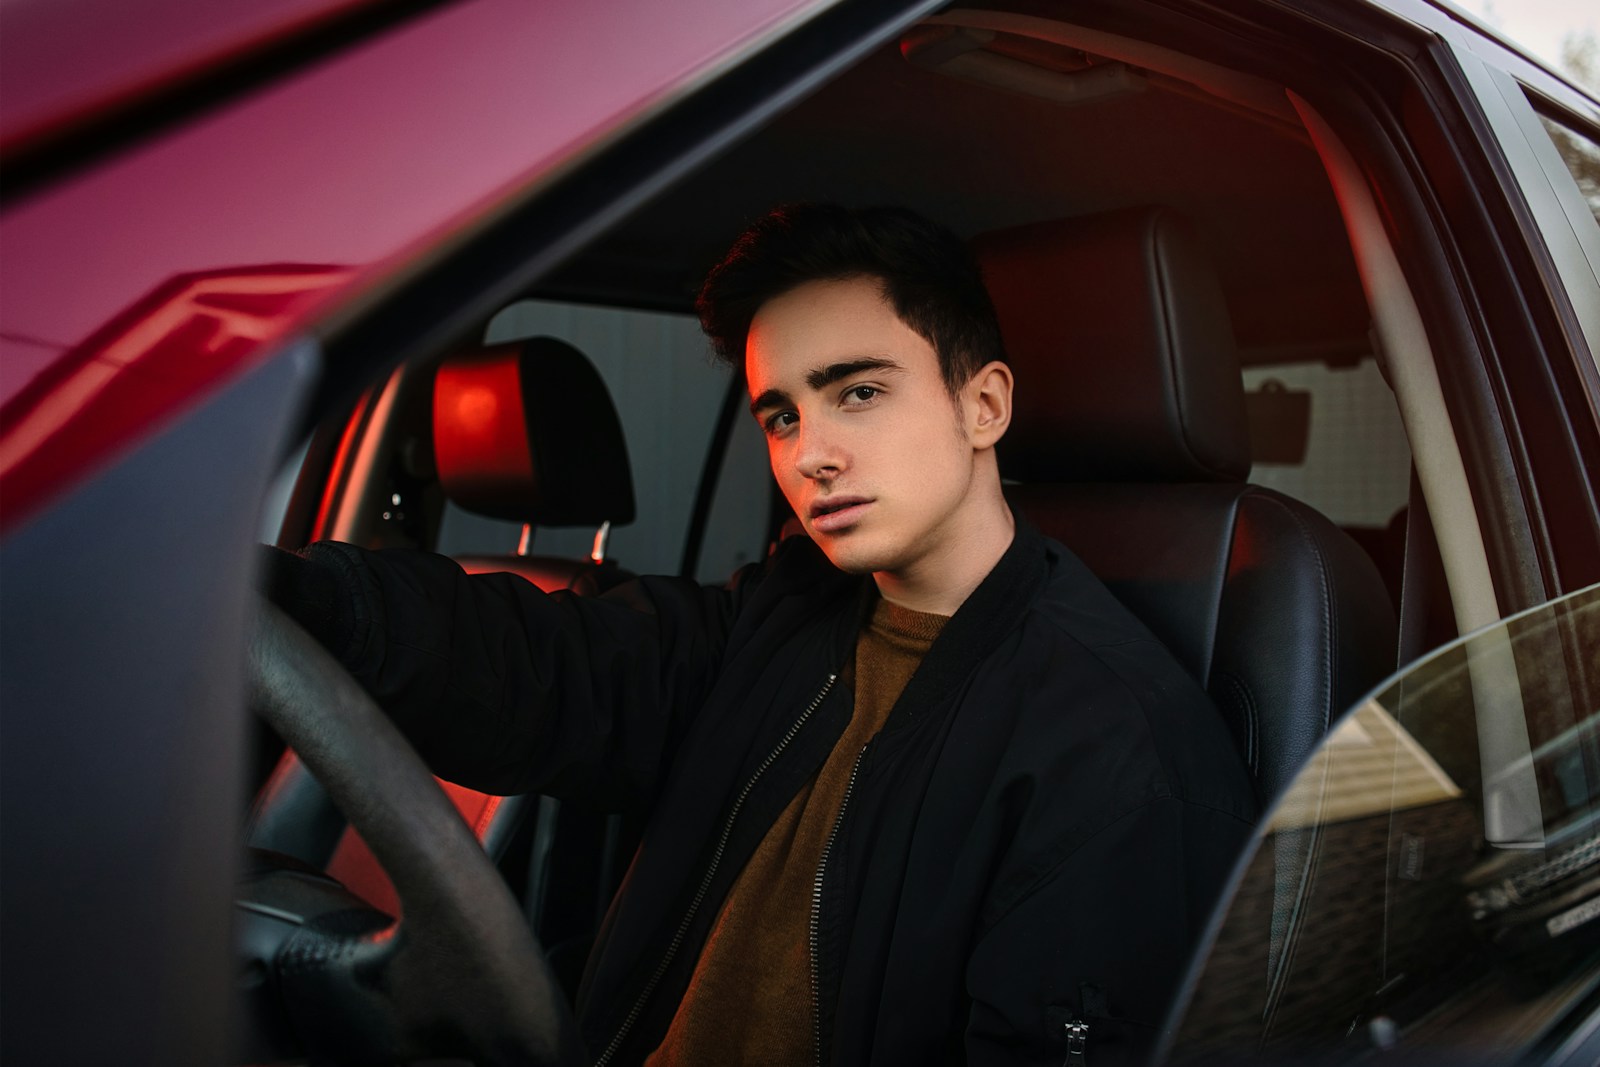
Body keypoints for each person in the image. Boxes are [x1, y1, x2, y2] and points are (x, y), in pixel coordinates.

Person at [264, 203, 1257, 1064]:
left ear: (983, 402)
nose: (810, 455)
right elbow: (546, 661)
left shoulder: (1112, 745)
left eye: (857, 392)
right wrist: (278, 602)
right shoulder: (786, 615)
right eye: (780, 416)